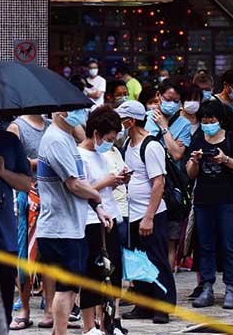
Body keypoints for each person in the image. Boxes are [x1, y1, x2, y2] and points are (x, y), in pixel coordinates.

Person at [36, 107, 113, 335]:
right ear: (60, 111)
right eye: (75, 109)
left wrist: (97, 207)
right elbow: (74, 184)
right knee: (66, 287)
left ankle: (58, 332)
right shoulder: (55, 140)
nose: (81, 114)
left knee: (71, 288)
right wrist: (97, 195)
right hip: (59, 228)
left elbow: (80, 181)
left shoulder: (67, 138)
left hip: (72, 226)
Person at [117, 100, 176, 324]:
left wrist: (149, 217)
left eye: (122, 119)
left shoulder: (151, 146)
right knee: (137, 260)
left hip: (150, 214)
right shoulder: (127, 144)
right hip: (132, 213)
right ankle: (143, 304)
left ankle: (162, 306)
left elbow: (158, 183)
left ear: (131, 121)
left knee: (157, 260)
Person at [186, 99, 233, 310]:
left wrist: (224, 159)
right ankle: (207, 287)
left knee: (230, 244)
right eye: (204, 120)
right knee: (205, 245)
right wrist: (195, 161)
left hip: (227, 200)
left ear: (219, 119)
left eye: (211, 120)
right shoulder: (198, 139)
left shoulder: (230, 137)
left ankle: (231, 287)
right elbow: (190, 173)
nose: (208, 124)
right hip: (203, 200)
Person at [77, 106, 130, 335]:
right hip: (90, 220)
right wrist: (106, 182)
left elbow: (103, 185)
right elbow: (79, 189)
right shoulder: (79, 155)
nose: (110, 143)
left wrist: (118, 180)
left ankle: (108, 322)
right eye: (108, 139)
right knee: (92, 272)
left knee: (113, 271)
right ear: (96, 133)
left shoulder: (102, 155)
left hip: (111, 215)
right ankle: (89, 325)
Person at [0, 112, 33, 328]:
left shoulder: (8, 141)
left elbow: (25, 184)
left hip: (4, 236)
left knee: (3, 305)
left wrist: (3, 172)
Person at [7, 114, 51, 330]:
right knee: (25, 255)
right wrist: (44, 161)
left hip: (51, 195)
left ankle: (50, 309)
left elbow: (79, 137)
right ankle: (24, 309)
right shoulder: (17, 127)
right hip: (27, 197)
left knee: (50, 255)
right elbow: (15, 162)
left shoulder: (52, 125)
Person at [143, 81, 191, 271]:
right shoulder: (145, 118)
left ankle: (167, 280)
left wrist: (164, 128)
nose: (171, 104)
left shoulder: (184, 124)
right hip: (146, 183)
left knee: (170, 239)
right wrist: (169, 143)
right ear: (159, 96)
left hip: (170, 188)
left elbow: (177, 154)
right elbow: (142, 146)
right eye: (168, 99)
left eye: (176, 101)